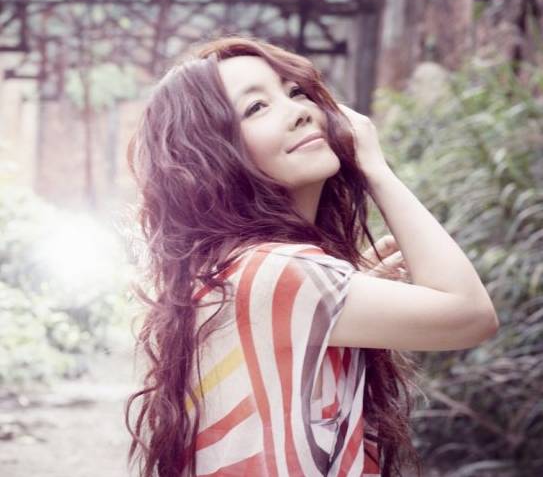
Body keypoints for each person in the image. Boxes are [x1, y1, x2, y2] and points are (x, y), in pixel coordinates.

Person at [124, 34, 499, 477]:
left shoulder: (236, 270)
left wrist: (342, 287)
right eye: (256, 107)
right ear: (212, 154)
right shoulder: (275, 273)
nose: (300, 111)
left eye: (296, 91)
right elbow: (471, 314)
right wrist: (377, 170)